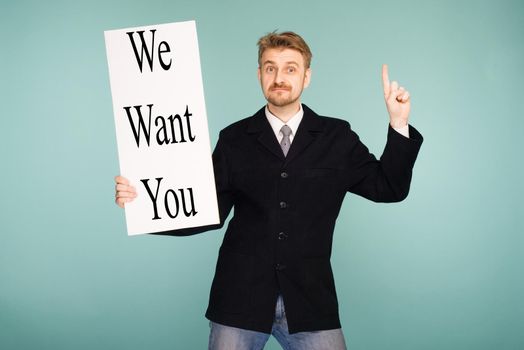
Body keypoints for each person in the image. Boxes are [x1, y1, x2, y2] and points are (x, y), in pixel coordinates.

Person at [114, 31, 423, 350]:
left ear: (307, 76)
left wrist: (399, 124)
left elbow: (388, 187)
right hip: (239, 299)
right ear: (259, 74)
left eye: (290, 68)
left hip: (310, 301)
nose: (279, 77)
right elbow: (207, 212)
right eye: (270, 67)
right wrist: (144, 206)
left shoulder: (337, 137)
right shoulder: (234, 139)